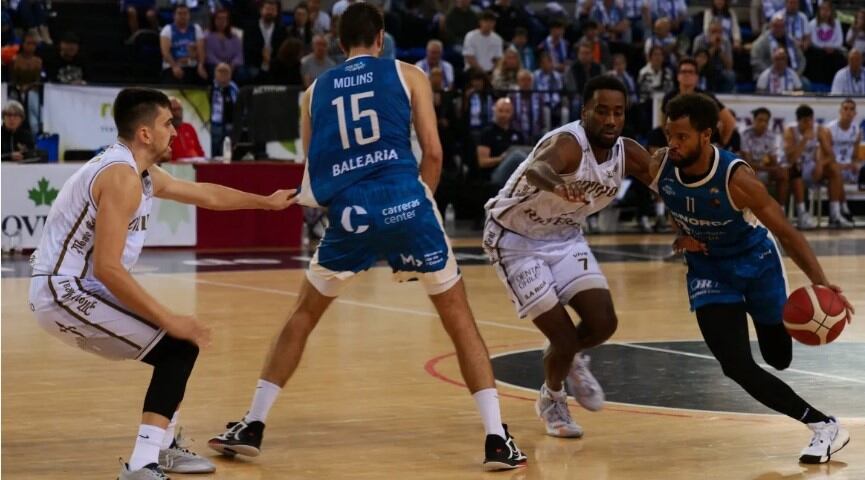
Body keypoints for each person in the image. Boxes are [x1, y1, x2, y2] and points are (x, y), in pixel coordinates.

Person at [208, 3, 527, 471]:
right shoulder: (408, 74)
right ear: (381, 38)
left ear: (339, 44)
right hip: (408, 203)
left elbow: (313, 176)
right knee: (460, 323)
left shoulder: (314, 91)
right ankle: (496, 439)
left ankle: (254, 424)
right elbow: (434, 154)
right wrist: (416, 209)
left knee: (302, 316)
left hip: (352, 212)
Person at [27, 87, 298, 479]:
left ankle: (163, 448)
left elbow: (205, 193)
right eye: (168, 122)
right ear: (145, 134)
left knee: (175, 349)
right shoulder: (120, 177)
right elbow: (107, 267)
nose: (175, 130)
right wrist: (169, 318)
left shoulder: (142, 172)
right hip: (63, 289)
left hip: (77, 288)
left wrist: (265, 201)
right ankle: (141, 464)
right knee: (177, 346)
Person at [652, 93, 852, 465]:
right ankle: (824, 426)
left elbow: (789, 233)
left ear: (706, 136)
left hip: (757, 263)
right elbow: (628, 166)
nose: (673, 145)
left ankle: (779, 325)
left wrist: (821, 282)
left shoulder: (738, 179)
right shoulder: (659, 166)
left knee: (778, 358)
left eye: (681, 137)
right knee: (736, 365)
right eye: (669, 135)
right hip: (710, 271)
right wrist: (679, 232)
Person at [482, 75, 665, 439]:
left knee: (603, 323)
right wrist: (557, 184)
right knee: (564, 339)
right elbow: (537, 167)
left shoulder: (626, 152)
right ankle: (552, 398)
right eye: (602, 111)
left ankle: (567, 357)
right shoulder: (569, 144)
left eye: (618, 112)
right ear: (585, 112)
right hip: (515, 239)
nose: (611, 120)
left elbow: (663, 181)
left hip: (564, 235)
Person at [784, 105, 853, 229]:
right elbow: (791, 159)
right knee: (795, 169)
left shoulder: (820, 130)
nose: (809, 123)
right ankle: (802, 215)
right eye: (805, 121)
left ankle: (835, 215)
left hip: (812, 167)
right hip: (795, 169)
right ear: (798, 121)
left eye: (810, 120)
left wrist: (820, 164)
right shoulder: (790, 131)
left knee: (834, 169)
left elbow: (831, 156)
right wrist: (804, 139)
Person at [661, 58, 736, 147]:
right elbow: (663, 123)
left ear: (697, 77)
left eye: (691, 72)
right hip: (678, 145)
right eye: (683, 71)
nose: (687, 74)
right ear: (678, 76)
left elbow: (729, 121)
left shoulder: (706, 97)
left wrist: (722, 144)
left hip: (704, 146)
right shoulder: (669, 97)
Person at [825, 98, 863, 220]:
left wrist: (855, 164)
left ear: (855, 113)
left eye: (851, 109)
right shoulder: (830, 128)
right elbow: (825, 154)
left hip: (848, 167)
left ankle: (843, 208)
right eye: (845, 108)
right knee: (837, 172)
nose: (848, 112)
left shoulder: (856, 129)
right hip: (833, 166)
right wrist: (839, 165)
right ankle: (844, 207)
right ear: (840, 111)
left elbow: (855, 156)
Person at [740, 107, 787, 205]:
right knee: (751, 174)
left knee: (782, 175)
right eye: (760, 120)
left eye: (766, 121)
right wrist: (770, 169)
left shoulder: (771, 136)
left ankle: (780, 210)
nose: (763, 123)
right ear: (754, 120)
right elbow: (747, 164)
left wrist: (776, 168)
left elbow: (773, 159)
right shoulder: (745, 135)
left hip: (765, 169)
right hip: (749, 170)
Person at [168, 97, 205, 161]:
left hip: (194, 166)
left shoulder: (189, 128)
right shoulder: (165, 130)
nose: (177, 113)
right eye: (174, 110)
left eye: (179, 109)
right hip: (174, 168)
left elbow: (199, 151)